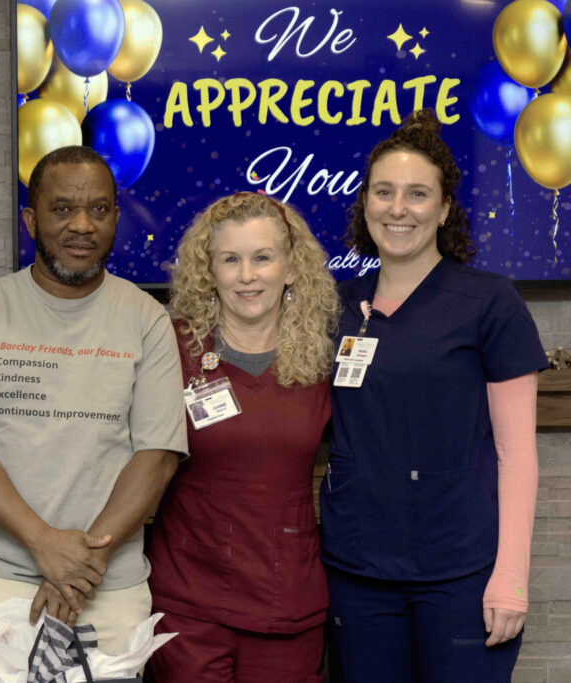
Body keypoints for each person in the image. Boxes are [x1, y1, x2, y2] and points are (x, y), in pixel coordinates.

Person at [0, 145, 188, 654]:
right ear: (31, 220)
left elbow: (155, 458)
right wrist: (44, 544)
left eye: (97, 209)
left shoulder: (148, 319)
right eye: (62, 208)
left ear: (115, 216)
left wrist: (80, 566)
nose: (82, 225)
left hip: (109, 590)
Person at [321, 110, 548, 681]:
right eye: (384, 192)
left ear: (445, 208)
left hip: (461, 575)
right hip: (357, 571)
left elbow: (518, 456)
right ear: (365, 203)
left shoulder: (490, 304)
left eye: (418, 194)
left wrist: (512, 579)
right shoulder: (334, 306)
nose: (398, 209)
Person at [146, 192, 339, 682]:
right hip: (188, 605)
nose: (247, 275)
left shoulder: (323, 362)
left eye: (262, 258)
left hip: (286, 605)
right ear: (208, 271)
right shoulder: (171, 347)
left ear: (291, 269)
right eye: (230, 259)